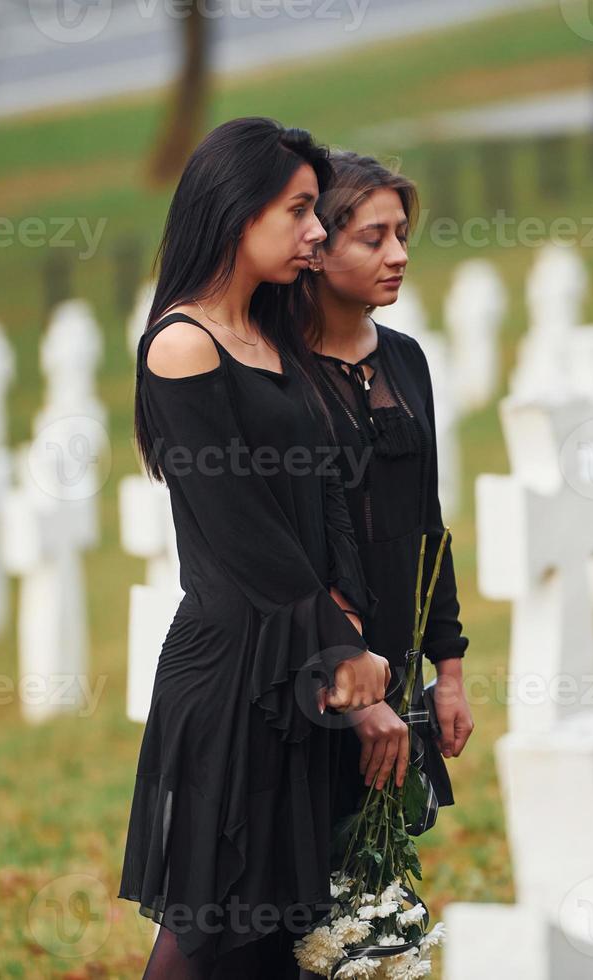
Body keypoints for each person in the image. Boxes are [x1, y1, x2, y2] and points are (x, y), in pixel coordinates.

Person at [123, 118, 391, 979]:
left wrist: (350, 614)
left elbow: (328, 495)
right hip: (234, 672)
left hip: (301, 655)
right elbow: (243, 532)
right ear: (237, 211)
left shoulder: (280, 334)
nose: (318, 231)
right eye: (300, 210)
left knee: (288, 929)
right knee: (212, 924)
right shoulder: (181, 347)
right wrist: (341, 646)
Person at [302, 151, 475, 824]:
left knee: (381, 878)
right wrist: (345, 666)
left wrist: (449, 671)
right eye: (373, 238)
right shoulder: (281, 375)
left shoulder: (405, 359)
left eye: (402, 233)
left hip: (399, 665)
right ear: (317, 247)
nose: (398, 253)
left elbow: (427, 523)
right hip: (316, 666)